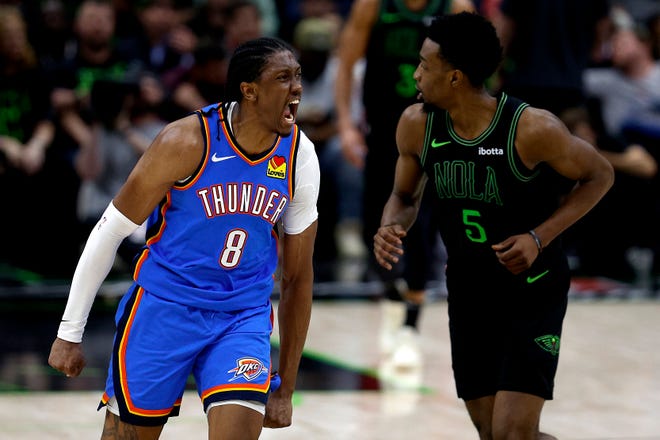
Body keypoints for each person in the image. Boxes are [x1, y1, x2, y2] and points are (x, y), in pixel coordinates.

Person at [48, 36, 320, 439]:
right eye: (283, 78)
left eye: (297, 76)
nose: (297, 87)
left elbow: (298, 278)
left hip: (240, 317)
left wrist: (287, 387)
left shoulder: (299, 155)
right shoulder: (186, 141)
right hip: (163, 308)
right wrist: (69, 332)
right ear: (249, 91)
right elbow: (110, 232)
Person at [374, 12, 613, 438]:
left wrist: (539, 237)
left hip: (532, 288)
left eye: (426, 65)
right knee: (490, 434)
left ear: (455, 78)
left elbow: (599, 175)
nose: (416, 74)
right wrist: (391, 226)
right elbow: (405, 197)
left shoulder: (530, 128)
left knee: (513, 434)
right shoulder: (416, 124)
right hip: (468, 289)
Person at [334, 0, 474, 368]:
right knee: (377, 226)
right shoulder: (372, 7)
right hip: (383, 132)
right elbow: (346, 63)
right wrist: (347, 126)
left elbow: (477, 71)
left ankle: (411, 322)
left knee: (423, 225)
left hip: (434, 129)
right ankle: (393, 296)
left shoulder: (455, 7)